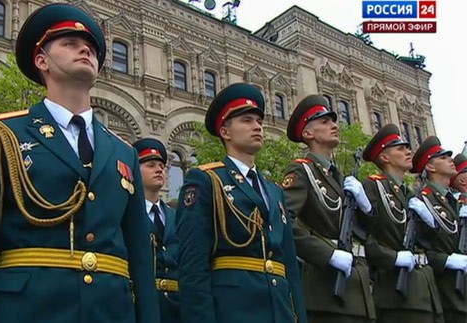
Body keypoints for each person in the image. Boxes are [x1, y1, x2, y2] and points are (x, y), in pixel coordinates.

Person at [0, 4, 159, 323]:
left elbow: (139, 255)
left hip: (111, 310)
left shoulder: (124, 152)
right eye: (69, 43)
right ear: (42, 60)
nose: (85, 49)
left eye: (91, 48)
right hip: (29, 309)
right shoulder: (1, 134)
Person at [175, 83, 307, 323]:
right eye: (246, 120)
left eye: (259, 121)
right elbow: (193, 266)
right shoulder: (207, 180)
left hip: (280, 310)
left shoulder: (275, 191)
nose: (257, 126)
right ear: (225, 132)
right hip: (234, 310)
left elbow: (289, 266)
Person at [281, 95, 375, 323]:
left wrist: (366, 207)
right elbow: (285, 221)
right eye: (324, 122)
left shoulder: (340, 178)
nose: (334, 125)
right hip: (326, 290)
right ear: (307, 134)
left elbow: (364, 232)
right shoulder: (301, 171)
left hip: (358, 286)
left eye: (333, 121)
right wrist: (327, 254)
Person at [361, 124, 443, 323]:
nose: (408, 151)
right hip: (396, 293)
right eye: (400, 148)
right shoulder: (373, 187)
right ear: (385, 157)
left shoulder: (410, 195)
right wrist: (393, 258)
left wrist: (431, 223)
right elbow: (364, 236)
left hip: (426, 291)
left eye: (407, 147)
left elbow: (429, 241)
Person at [410, 136, 467, 323]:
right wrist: (447, 261)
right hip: (449, 291)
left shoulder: (453, 202)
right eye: (443, 157)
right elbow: (420, 247)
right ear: (430, 167)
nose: (451, 160)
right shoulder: (422, 200)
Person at [133, 138, 180, 323]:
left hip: (176, 308)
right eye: (151, 165)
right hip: (139, 305)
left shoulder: (176, 216)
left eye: (162, 166)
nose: (159, 169)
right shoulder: (128, 213)